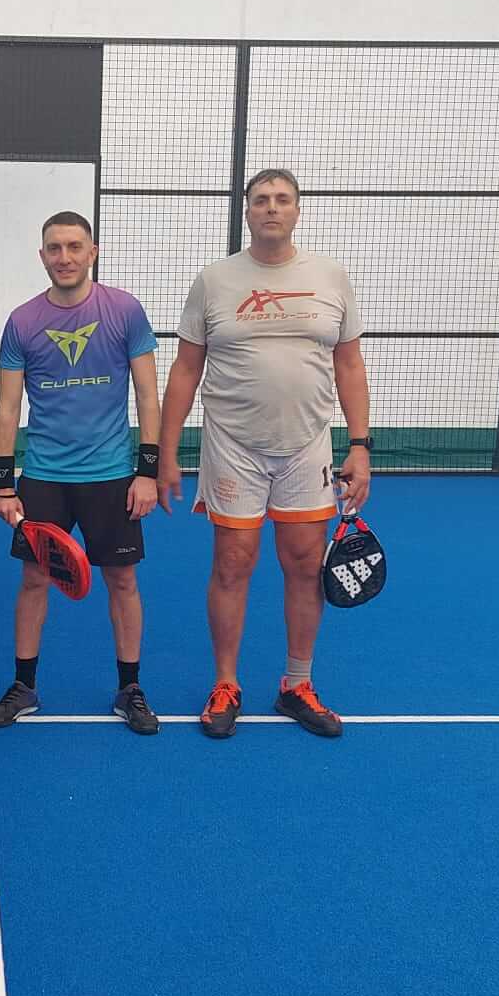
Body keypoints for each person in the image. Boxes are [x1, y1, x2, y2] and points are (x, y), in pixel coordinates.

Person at [157, 167, 372, 739]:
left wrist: (360, 446)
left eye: (282, 199)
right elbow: (185, 369)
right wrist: (164, 452)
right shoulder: (215, 280)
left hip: (307, 446)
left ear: (297, 210)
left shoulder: (330, 277)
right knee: (233, 563)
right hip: (233, 447)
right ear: (247, 211)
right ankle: (226, 683)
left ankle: (297, 684)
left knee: (304, 563)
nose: (271, 207)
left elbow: (349, 364)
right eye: (260, 200)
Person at [0, 210, 162, 735]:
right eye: (55, 248)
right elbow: (7, 408)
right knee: (34, 578)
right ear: (42, 256)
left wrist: (146, 472)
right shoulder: (22, 321)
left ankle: (130, 688)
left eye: (74, 247)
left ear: (92, 252)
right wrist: (3, 485)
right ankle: (24, 686)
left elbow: (148, 395)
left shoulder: (124, 310)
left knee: (122, 580)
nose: (64, 257)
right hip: (45, 476)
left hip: (112, 475)